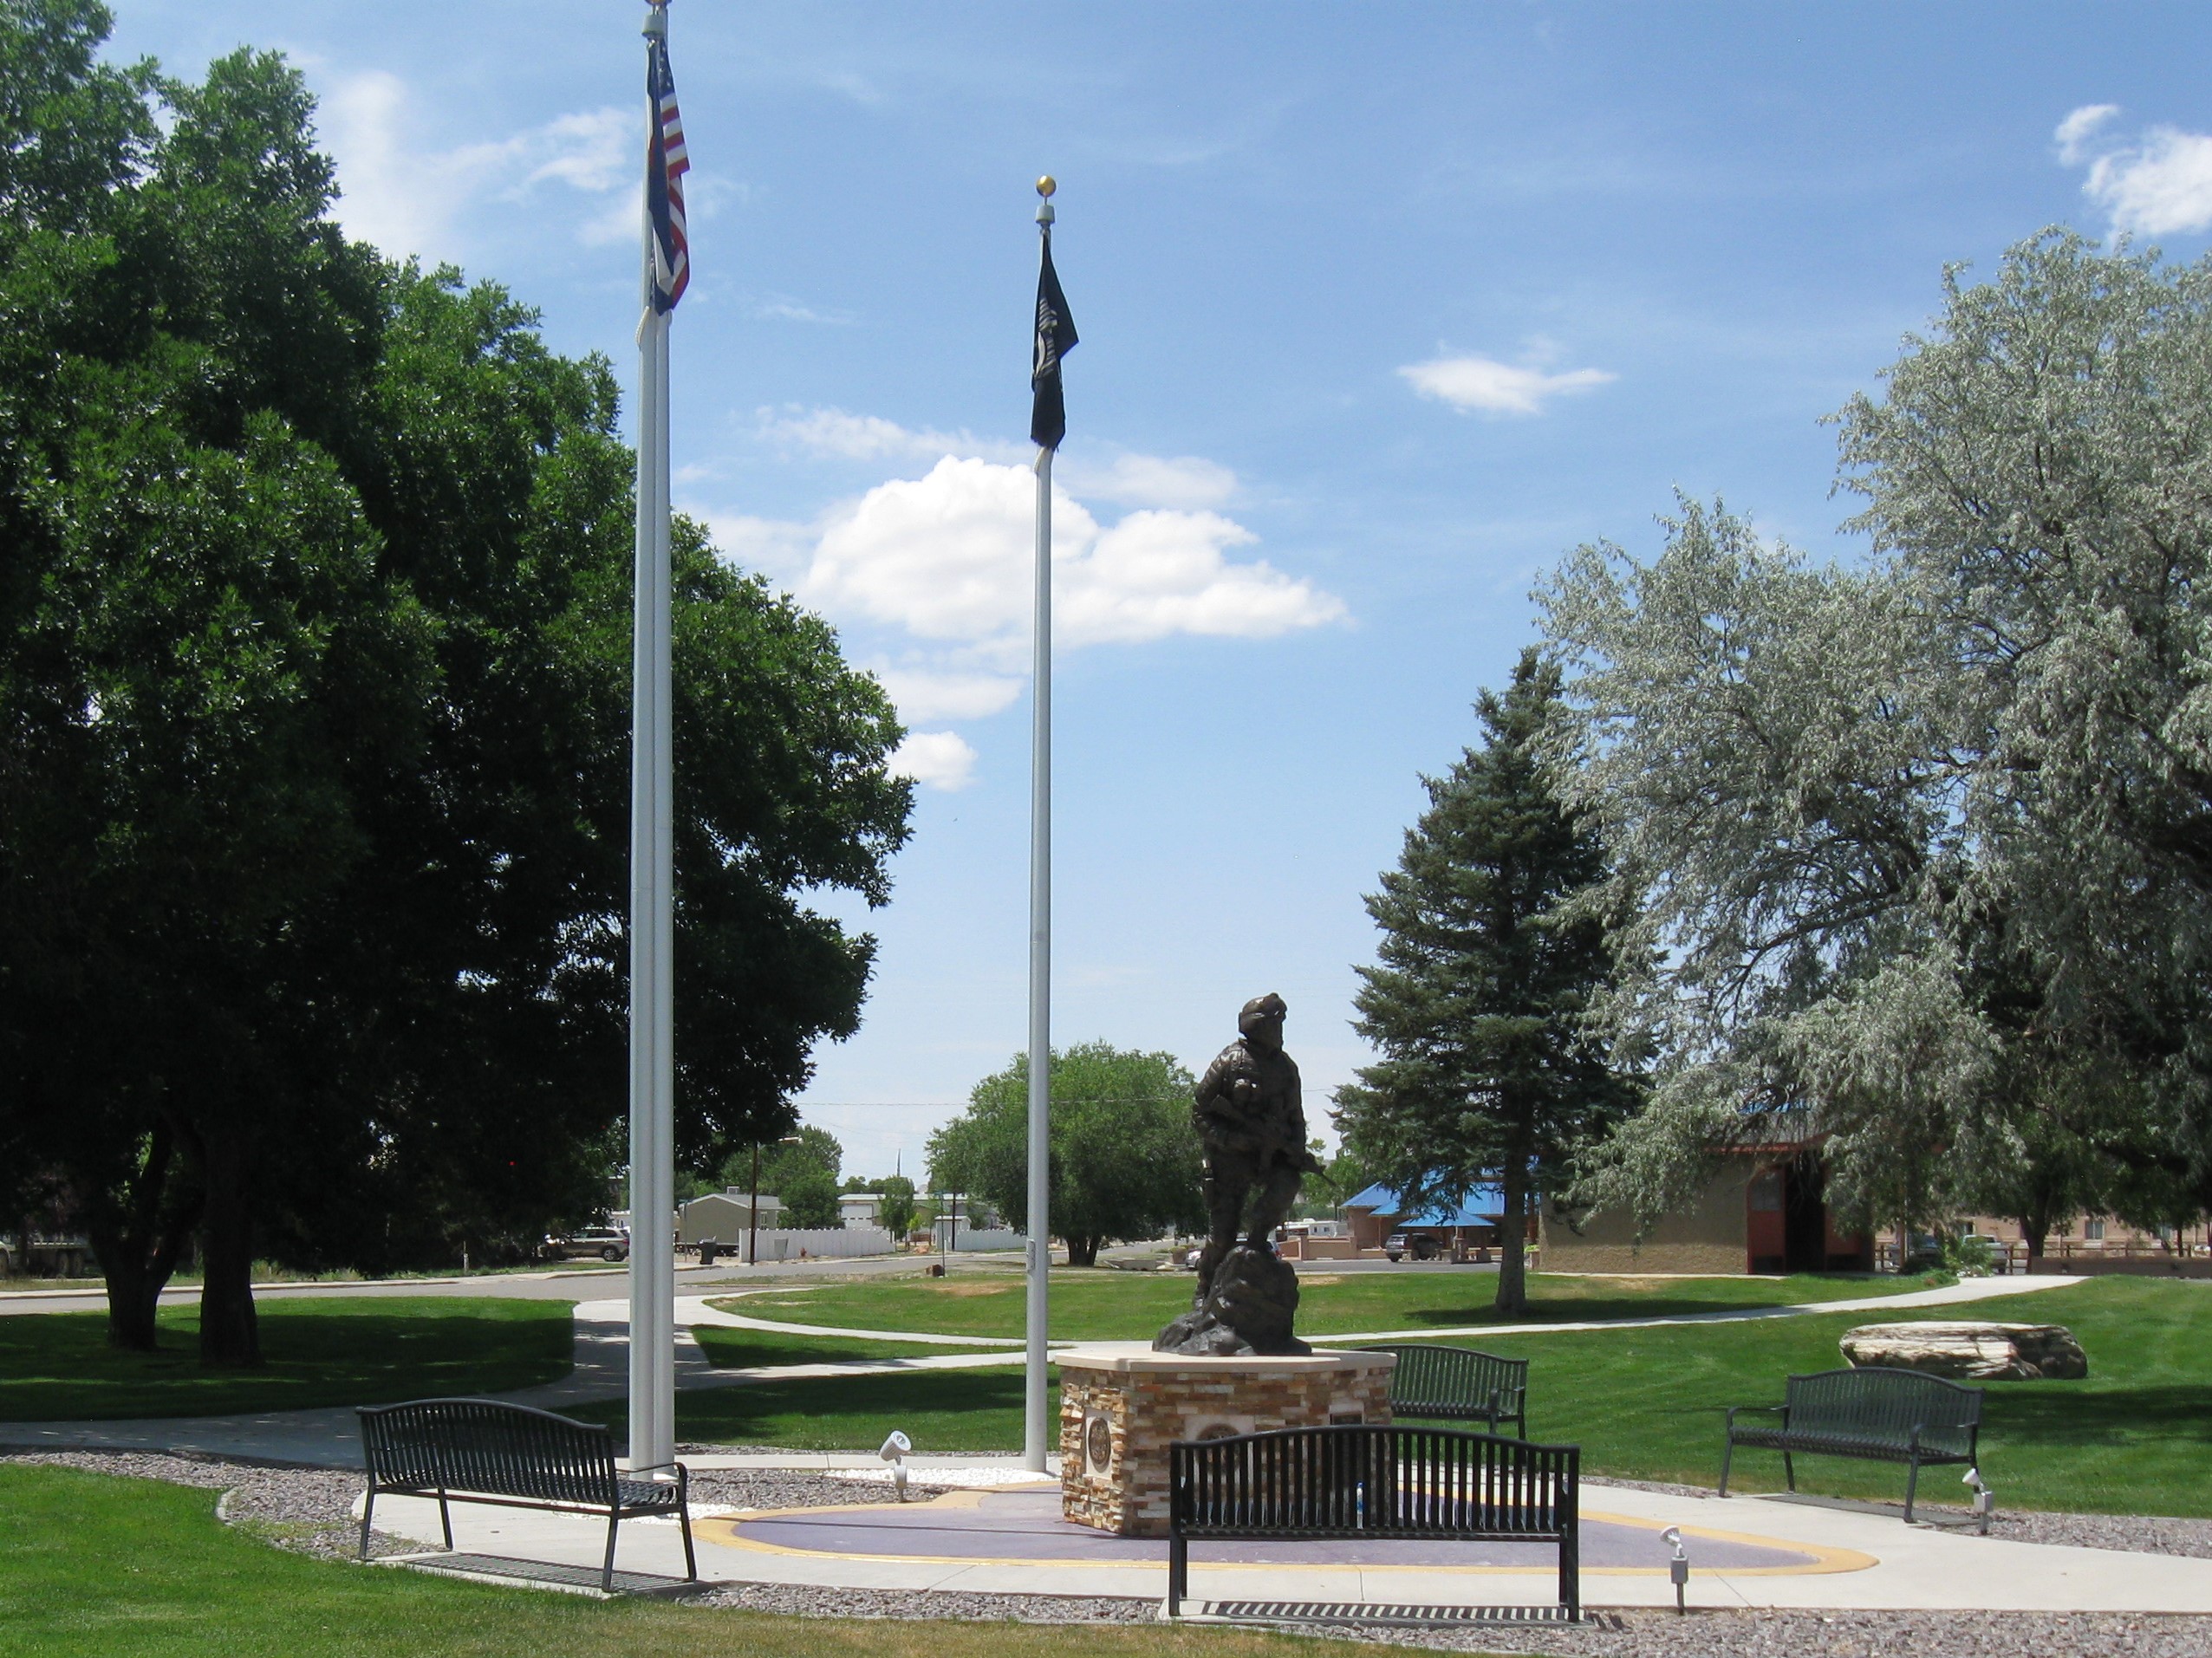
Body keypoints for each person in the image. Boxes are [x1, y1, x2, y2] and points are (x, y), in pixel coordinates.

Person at [1187, 992, 1323, 1308]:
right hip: (1230, 1158)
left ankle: (1255, 1246)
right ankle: (1205, 1288)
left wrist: (1297, 1151)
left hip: (1271, 1153)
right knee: (1221, 1237)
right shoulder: (1229, 1061)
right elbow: (1200, 1113)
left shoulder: (1287, 1067)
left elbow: (1295, 1117)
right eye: (1276, 1024)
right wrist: (1231, 1140)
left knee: (1286, 1184)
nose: (1281, 1030)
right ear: (1258, 1026)